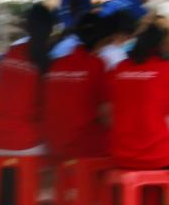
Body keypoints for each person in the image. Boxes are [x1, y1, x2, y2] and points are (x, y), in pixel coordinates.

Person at [0, 4, 54, 156]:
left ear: (26, 27)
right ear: (50, 29)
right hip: (27, 142)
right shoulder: (46, 62)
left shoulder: (11, 52)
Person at [42, 12, 109, 160]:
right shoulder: (96, 64)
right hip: (81, 148)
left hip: (53, 145)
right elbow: (106, 114)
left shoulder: (57, 64)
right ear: (102, 41)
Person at [107, 17, 169, 169]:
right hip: (158, 157)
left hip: (121, 156)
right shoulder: (165, 69)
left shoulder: (119, 68)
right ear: (161, 45)